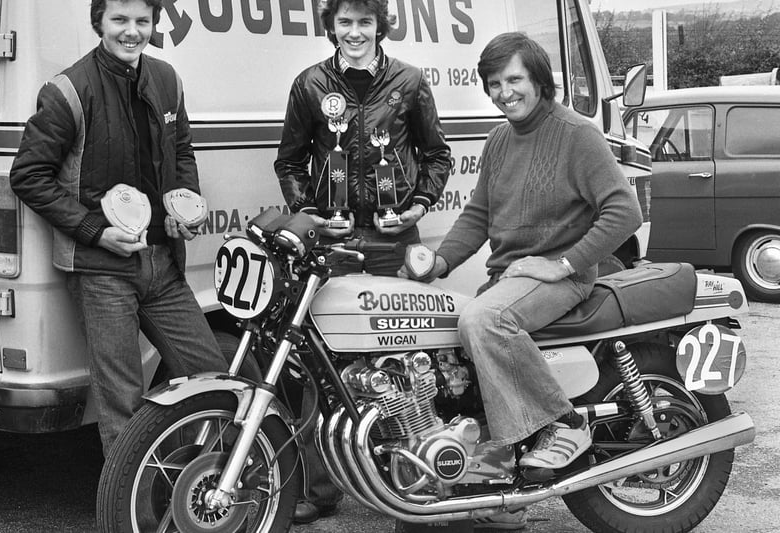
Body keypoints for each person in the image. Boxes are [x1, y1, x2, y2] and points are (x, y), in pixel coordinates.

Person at [400, 32, 642, 530]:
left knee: (483, 319)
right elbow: (479, 214)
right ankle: (486, 492)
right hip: (509, 275)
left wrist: (564, 264)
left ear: (538, 79)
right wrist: (438, 264)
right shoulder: (499, 138)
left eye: (513, 80)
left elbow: (624, 211)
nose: (503, 92)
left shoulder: (576, 133)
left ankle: (565, 424)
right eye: (493, 83)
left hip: (557, 277)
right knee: (448, 352)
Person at [9, 0, 228, 458]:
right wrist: (93, 230)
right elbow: (28, 175)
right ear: (99, 24)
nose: (132, 32)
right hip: (101, 269)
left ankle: (196, 487)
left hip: (162, 265)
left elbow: (181, 150)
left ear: (154, 25)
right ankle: (133, 516)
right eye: (120, 21)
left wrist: (182, 206)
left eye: (142, 21)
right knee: (122, 402)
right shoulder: (68, 89)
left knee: (212, 378)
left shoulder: (167, 80)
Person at [273, 0, 451, 523]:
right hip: (333, 245)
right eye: (345, 23)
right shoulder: (309, 84)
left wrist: (418, 205)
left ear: (380, 27)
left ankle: (416, 479)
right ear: (332, 27)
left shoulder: (410, 82)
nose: (355, 32)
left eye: (365, 23)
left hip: (396, 241)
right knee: (322, 367)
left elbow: (437, 155)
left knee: (412, 359)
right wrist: (310, 214)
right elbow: (288, 162)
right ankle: (319, 488)